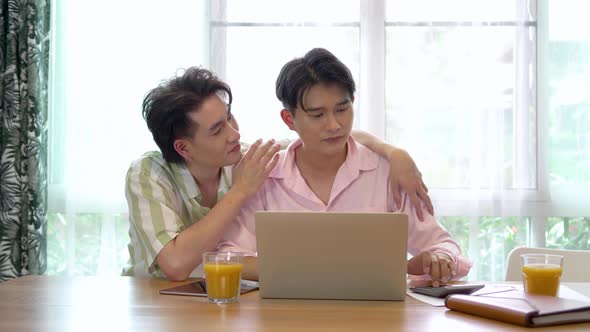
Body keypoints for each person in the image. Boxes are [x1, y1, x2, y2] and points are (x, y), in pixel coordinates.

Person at [123, 67, 433, 281]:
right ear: (183, 147)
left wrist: (395, 154)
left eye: (230, 118)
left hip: (227, 295)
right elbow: (176, 265)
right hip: (159, 297)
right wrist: (240, 191)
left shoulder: (246, 155)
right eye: (218, 130)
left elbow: (322, 137)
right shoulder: (149, 174)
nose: (233, 135)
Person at [218, 48, 472, 286]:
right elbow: (229, 256)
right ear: (289, 120)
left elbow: (443, 246)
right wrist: (305, 270)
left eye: (342, 109)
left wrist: (440, 259)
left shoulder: (386, 172)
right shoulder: (265, 178)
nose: (334, 125)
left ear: (353, 101)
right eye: (317, 115)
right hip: (287, 316)